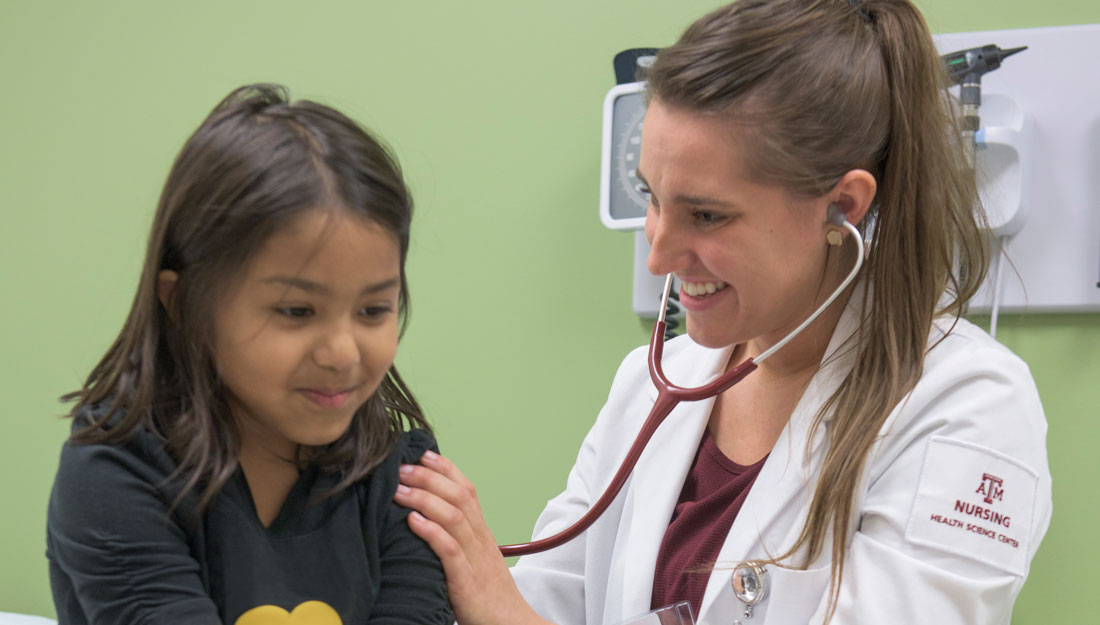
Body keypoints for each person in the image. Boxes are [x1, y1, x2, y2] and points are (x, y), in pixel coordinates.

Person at [392, 1, 1052, 623]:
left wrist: (501, 609)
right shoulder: (652, 384)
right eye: (652, 198)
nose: (659, 255)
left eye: (707, 215)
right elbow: (546, 600)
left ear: (842, 206)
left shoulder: (970, 408)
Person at [46, 84, 453, 625]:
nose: (341, 353)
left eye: (374, 310)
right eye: (296, 311)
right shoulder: (119, 470)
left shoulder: (402, 477)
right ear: (186, 305)